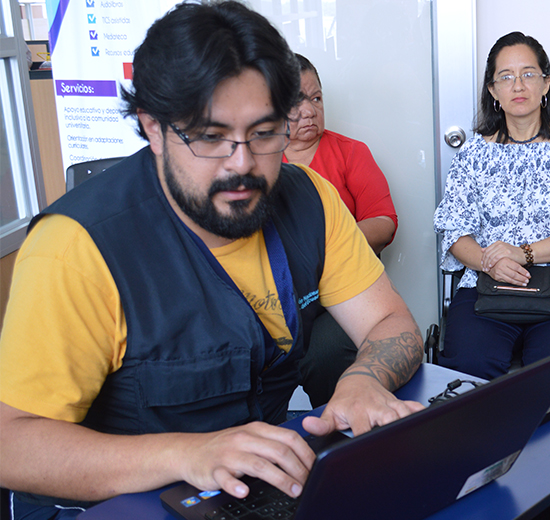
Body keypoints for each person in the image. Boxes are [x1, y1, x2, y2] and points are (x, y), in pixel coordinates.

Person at [0, 2, 424, 519]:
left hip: (259, 493)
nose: (242, 164)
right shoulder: (75, 248)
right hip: (121, 504)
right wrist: (186, 453)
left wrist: (363, 380)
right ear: (152, 129)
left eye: (265, 133)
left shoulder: (311, 199)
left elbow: (388, 320)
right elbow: (11, 443)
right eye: (209, 136)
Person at [433, 31, 550, 411]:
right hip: (486, 283)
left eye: (528, 74)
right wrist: (489, 261)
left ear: (546, 83)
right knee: (467, 369)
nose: (518, 85)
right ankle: (477, 465)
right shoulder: (474, 152)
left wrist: (522, 253)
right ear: (493, 90)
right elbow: (453, 228)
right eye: (506, 77)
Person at [283, 54, 399, 407]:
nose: (309, 110)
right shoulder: (257, 161)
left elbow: (384, 222)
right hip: (279, 295)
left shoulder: (350, 153)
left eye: (316, 98)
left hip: (338, 292)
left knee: (326, 356)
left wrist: (326, 246)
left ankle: (340, 437)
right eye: (294, 101)